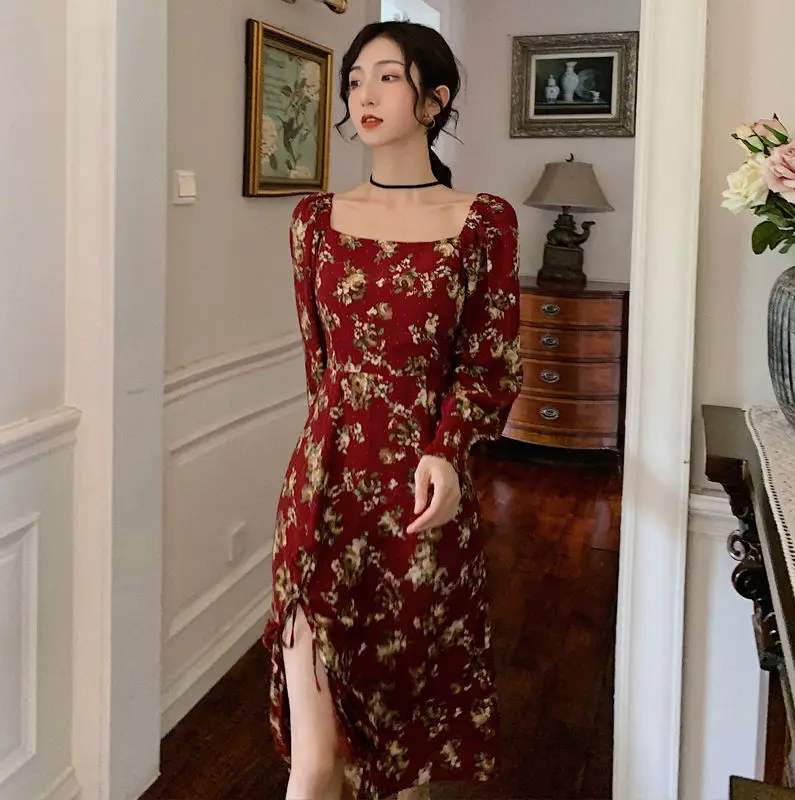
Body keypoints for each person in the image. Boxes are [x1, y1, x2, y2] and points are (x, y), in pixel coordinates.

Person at [261, 19, 523, 800]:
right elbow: (322, 368)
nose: (363, 94)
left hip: (420, 501)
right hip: (324, 493)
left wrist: (447, 447)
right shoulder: (313, 222)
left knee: (400, 752)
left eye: (386, 76)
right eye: (354, 79)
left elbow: (489, 363)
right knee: (315, 763)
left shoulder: (484, 221)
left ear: (434, 100)